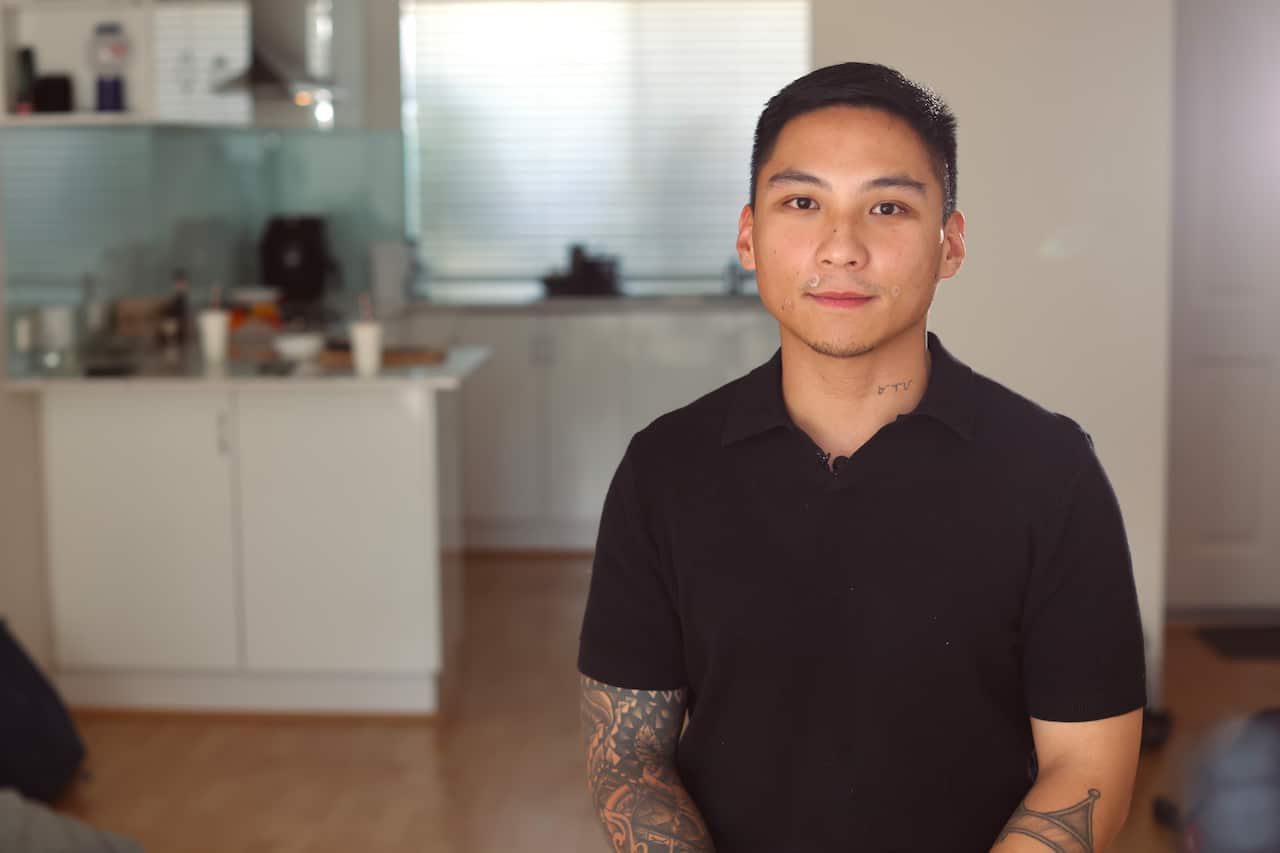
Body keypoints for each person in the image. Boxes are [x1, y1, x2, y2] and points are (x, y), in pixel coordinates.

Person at [577, 62, 1146, 852]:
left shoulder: (1051, 472)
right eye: (802, 203)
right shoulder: (664, 468)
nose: (841, 247)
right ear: (749, 234)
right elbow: (629, 755)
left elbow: (1088, 766)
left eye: (887, 207)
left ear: (950, 243)